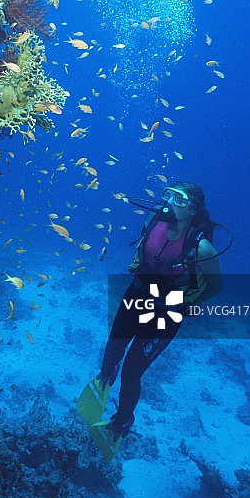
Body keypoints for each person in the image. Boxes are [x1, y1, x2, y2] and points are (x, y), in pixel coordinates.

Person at [95, 181, 223, 441]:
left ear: (193, 210)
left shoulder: (201, 247)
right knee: (113, 347)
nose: (171, 203)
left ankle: (122, 421)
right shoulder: (154, 221)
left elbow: (215, 285)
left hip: (167, 311)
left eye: (180, 200)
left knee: (132, 369)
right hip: (137, 293)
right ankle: (105, 379)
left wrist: (187, 303)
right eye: (169, 195)